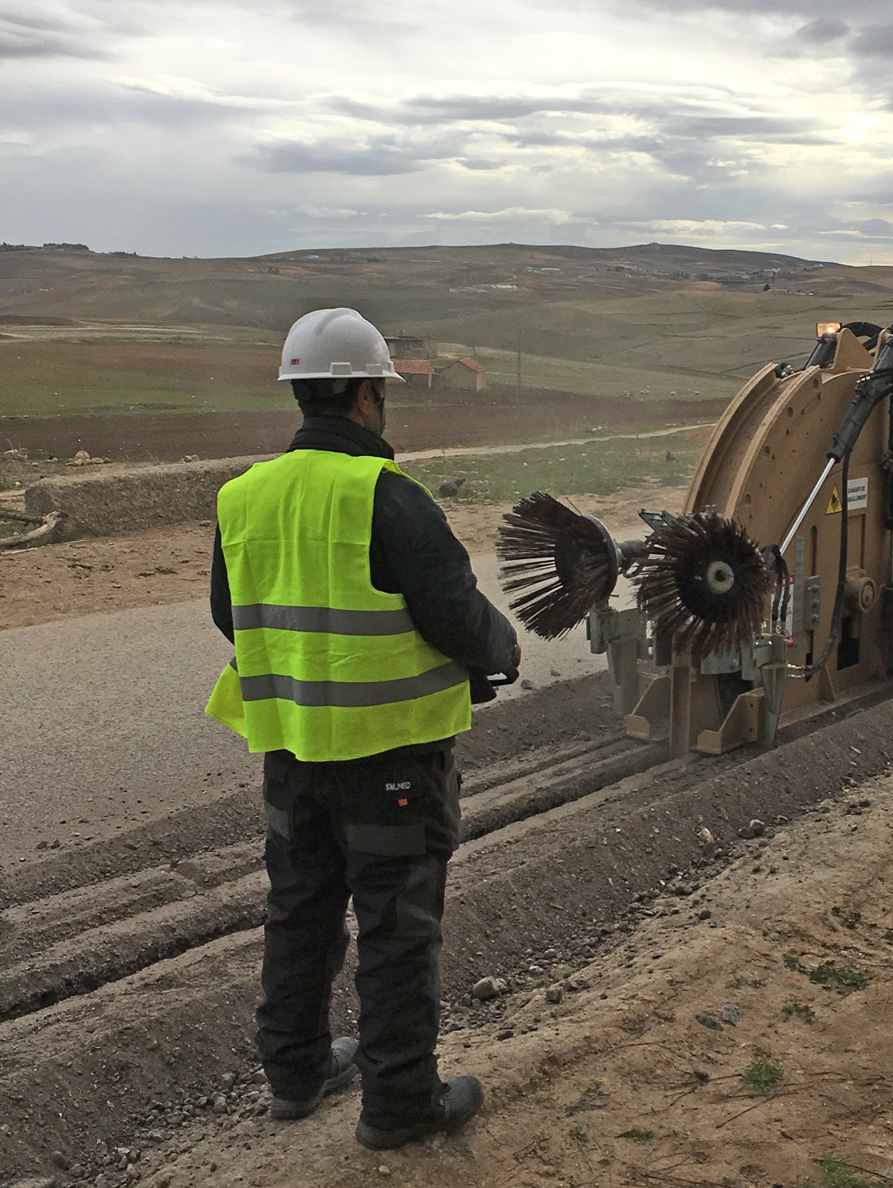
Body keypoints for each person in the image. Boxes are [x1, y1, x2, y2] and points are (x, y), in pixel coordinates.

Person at [206, 307, 519, 1150]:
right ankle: (401, 1104)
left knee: (299, 911)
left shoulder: (243, 498)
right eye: (381, 388)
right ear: (360, 394)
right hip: (392, 767)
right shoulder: (391, 499)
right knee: (396, 926)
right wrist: (503, 650)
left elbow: (231, 617)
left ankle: (298, 1071)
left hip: (291, 755)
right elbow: (459, 617)